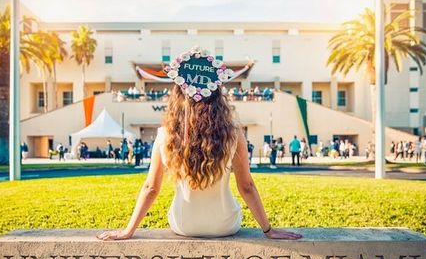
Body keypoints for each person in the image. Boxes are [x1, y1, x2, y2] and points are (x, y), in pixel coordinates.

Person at [97, 50, 302, 241]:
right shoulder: (233, 133)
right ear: (216, 95)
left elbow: (151, 188)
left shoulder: (165, 135)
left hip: (183, 224)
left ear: (178, 94)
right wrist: (268, 230)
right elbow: (246, 186)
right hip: (225, 224)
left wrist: (127, 231)